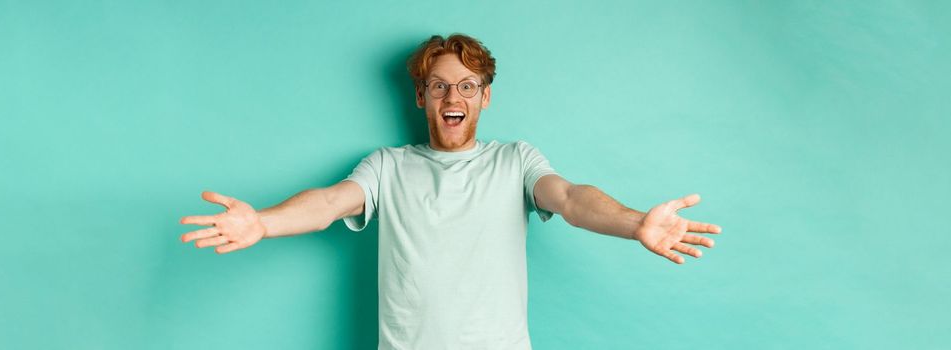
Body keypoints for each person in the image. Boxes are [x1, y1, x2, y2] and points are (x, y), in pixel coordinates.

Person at [179, 33, 722, 349]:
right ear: (421, 97)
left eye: (467, 85)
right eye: (439, 85)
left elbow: (573, 199)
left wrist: (634, 224)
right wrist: (263, 223)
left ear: (486, 97)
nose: (452, 96)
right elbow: (327, 204)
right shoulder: (387, 167)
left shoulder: (517, 161)